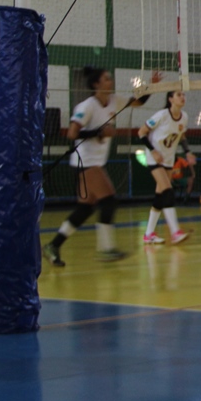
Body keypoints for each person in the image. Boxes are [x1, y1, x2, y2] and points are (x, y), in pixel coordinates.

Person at [42, 68, 162, 267]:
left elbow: (138, 101)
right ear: (96, 84)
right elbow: (72, 133)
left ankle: (53, 245)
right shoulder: (87, 106)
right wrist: (98, 132)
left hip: (95, 162)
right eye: (106, 78)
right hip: (85, 162)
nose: (111, 81)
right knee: (109, 201)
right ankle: (106, 249)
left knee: (85, 209)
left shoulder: (114, 100)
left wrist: (152, 85)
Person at [139, 90, 195, 245]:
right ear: (170, 99)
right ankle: (175, 232)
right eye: (178, 95)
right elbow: (141, 132)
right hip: (154, 158)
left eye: (183, 95)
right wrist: (153, 151)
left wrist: (188, 152)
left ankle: (149, 234)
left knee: (160, 197)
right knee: (168, 191)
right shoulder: (162, 115)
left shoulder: (184, 117)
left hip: (168, 160)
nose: (183, 97)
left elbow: (182, 136)